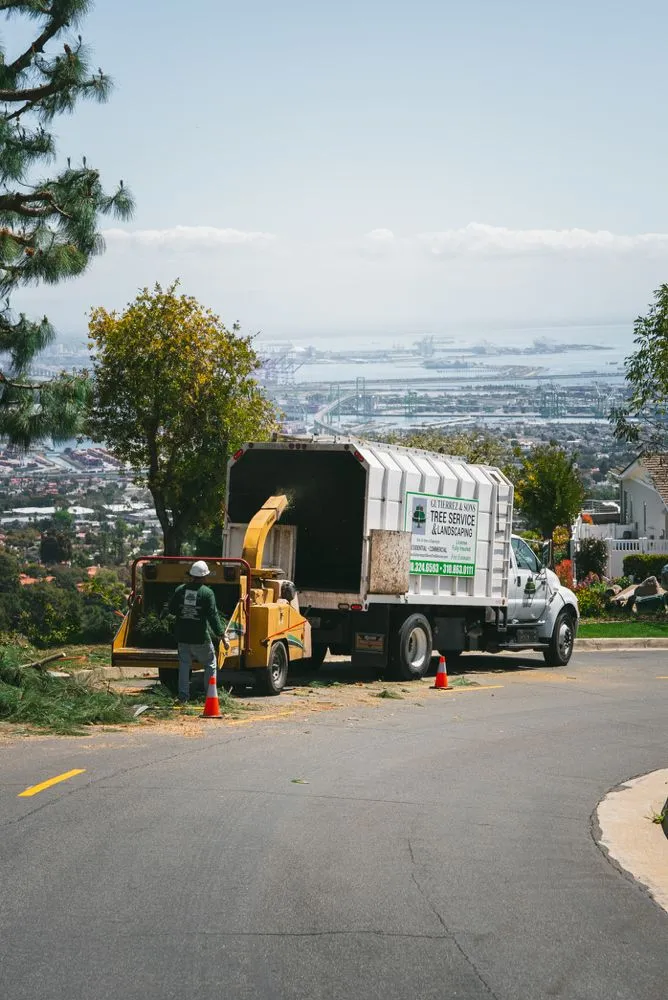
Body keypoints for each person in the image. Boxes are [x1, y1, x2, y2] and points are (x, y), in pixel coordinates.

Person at [167, 560, 226, 703]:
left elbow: (172, 609)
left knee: (184, 666)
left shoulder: (180, 590)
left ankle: (183, 697)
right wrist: (221, 634)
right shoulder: (207, 593)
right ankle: (210, 697)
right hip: (200, 638)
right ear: (205, 576)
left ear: (191, 575)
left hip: (182, 636)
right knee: (210, 664)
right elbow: (213, 616)